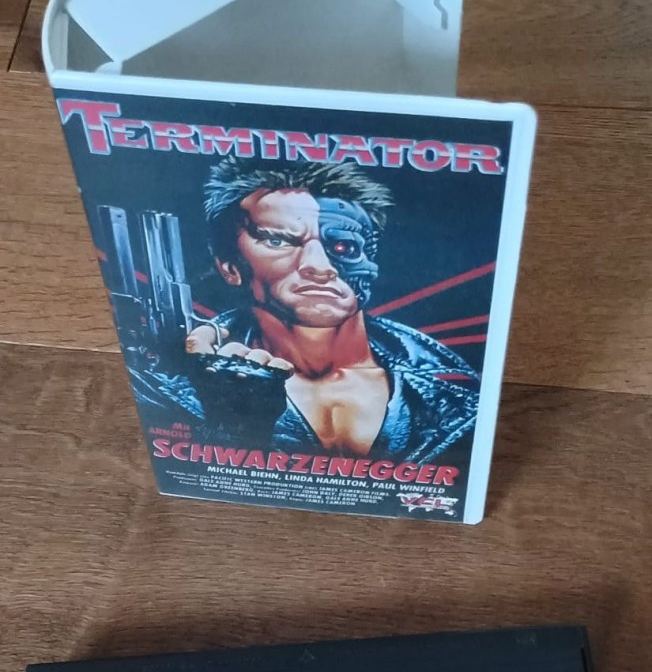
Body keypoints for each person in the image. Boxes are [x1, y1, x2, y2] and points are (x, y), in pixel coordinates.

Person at [182, 157, 479, 462]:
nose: (320, 266)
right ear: (230, 268)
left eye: (344, 247)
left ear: (370, 265)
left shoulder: (454, 390)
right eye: (278, 241)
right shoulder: (180, 379)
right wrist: (232, 426)